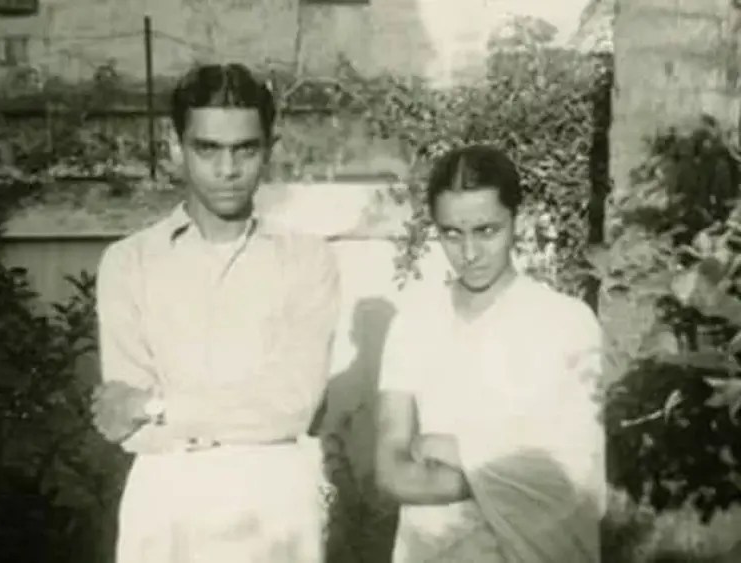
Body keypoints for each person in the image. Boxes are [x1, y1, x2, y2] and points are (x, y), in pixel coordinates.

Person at [91, 63, 341, 562]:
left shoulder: (308, 260)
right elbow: (126, 427)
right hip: (165, 507)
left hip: (276, 509)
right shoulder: (128, 263)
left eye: (244, 149)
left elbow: (291, 407)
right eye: (207, 148)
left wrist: (156, 406)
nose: (227, 170)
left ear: (269, 148)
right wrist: (241, 413)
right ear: (174, 146)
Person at [374, 145, 605, 562]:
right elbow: (391, 471)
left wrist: (447, 450)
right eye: (451, 233)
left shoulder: (566, 322)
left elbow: (576, 469)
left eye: (486, 231)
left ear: (519, 220)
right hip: (433, 548)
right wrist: (504, 469)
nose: (470, 253)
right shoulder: (413, 325)